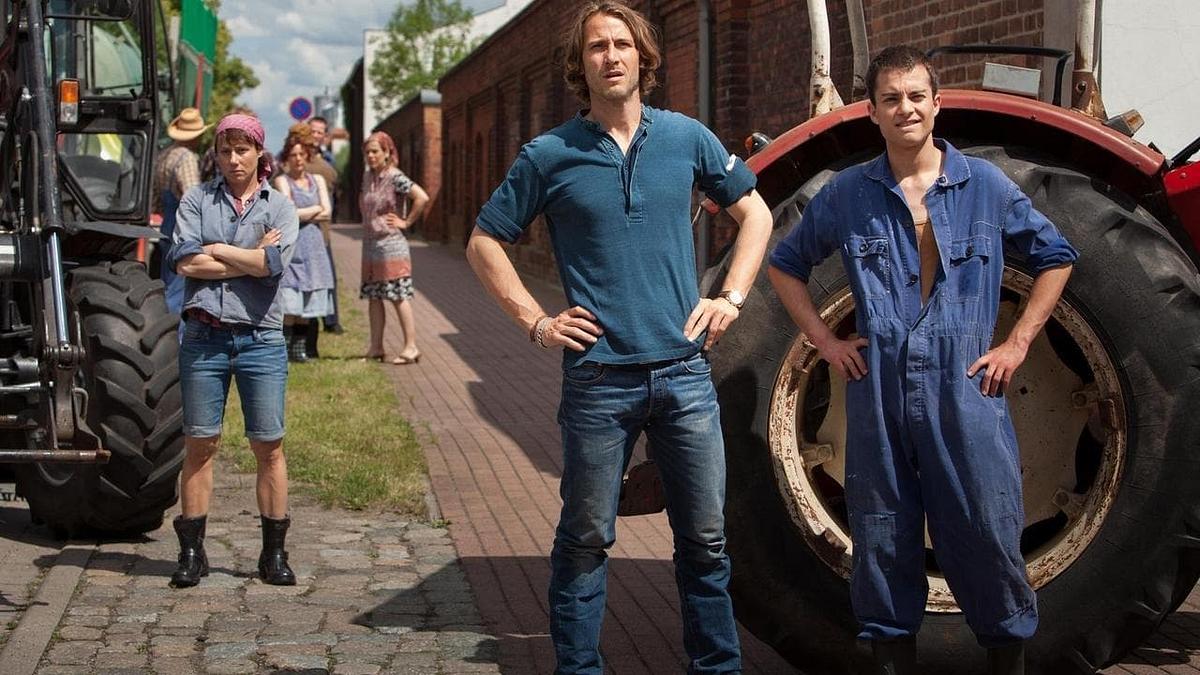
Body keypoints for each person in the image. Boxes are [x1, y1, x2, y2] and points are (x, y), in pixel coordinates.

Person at [466, 2, 772, 672]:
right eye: (597, 47)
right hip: (598, 381)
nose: (610, 56)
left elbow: (756, 214)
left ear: (643, 57)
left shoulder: (687, 137)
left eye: (622, 44)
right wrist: (536, 321)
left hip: (685, 375)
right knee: (585, 539)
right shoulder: (550, 154)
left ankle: (716, 668)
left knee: (707, 541)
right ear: (580, 65)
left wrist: (730, 297)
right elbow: (484, 241)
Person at [768, 46, 1078, 675]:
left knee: (987, 527)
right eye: (890, 99)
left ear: (937, 104)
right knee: (882, 535)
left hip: (966, 386)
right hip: (878, 387)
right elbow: (784, 264)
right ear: (872, 112)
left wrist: (1018, 341)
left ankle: (1007, 656)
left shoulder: (985, 186)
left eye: (915, 96)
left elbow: (1057, 256)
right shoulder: (847, 194)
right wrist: (826, 342)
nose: (904, 108)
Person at [167, 113, 300, 589]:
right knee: (200, 443)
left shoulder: (280, 206)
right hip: (204, 338)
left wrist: (217, 249)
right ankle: (191, 552)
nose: (233, 159)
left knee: (268, 445)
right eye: (225, 151)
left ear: (259, 152)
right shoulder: (196, 199)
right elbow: (185, 263)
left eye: (242, 150)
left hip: (260, 339)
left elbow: (273, 264)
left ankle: (273, 554)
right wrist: (247, 257)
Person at [359, 130, 429, 365]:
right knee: (374, 295)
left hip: (391, 246)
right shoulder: (367, 177)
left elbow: (421, 197)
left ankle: (411, 347)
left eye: (375, 151)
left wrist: (406, 222)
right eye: (367, 152)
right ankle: (376, 347)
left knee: (398, 295)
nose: (371, 156)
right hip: (370, 245)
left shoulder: (395, 176)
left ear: (387, 152)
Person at [274, 133, 335, 362]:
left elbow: (328, 212)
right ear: (287, 158)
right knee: (290, 302)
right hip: (294, 245)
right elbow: (289, 213)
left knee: (308, 301)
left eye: (301, 154)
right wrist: (315, 209)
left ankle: (299, 350)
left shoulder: (317, 180)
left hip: (314, 247)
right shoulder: (282, 181)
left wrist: (304, 213)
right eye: (293, 155)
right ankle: (283, 349)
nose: (298, 158)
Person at [152, 107, 208, 315]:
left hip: (167, 223)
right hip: (183, 227)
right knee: (179, 285)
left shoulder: (164, 156)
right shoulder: (187, 158)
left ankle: (162, 321)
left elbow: (155, 200)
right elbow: (191, 198)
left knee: (167, 279)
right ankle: (174, 328)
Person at [306, 116, 345, 335]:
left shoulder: (327, 160)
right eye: (312, 131)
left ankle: (331, 319)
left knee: (328, 272)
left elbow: (334, 182)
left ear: (325, 136)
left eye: (319, 132)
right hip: (303, 224)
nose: (315, 135)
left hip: (322, 225)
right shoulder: (297, 155)